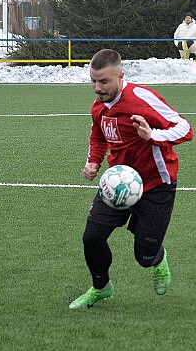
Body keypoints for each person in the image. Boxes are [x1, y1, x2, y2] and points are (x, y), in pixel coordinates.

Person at [69, 49, 193, 310]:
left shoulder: (141, 98)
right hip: (118, 183)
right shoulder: (98, 108)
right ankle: (101, 287)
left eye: (103, 81)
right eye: (93, 81)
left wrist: (153, 136)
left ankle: (158, 260)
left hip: (156, 185)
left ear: (120, 76)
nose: (97, 88)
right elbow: (98, 137)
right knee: (92, 238)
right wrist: (94, 161)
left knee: (144, 257)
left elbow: (184, 127)